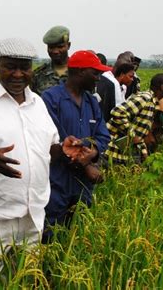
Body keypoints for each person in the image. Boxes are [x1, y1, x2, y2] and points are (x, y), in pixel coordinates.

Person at [0, 38, 84, 280]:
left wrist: (64, 149)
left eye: (24, 67)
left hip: (32, 217)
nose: (17, 74)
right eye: (10, 66)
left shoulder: (38, 104)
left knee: (25, 280)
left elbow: (49, 149)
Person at [41, 50, 111, 243]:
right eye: (95, 73)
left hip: (83, 185)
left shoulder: (91, 101)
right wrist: (87, 164)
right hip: (57, 179)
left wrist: (94, 153)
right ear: (80, 71)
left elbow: (103, 134)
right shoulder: (50, 98)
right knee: (51, 233)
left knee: (75, 236)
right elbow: (57, 138)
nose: (98, 78)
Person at [105, 73, 163, 165]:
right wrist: (132, 136)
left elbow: (138, 134)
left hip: (125, 152)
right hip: (113, 151)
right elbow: (118, 112)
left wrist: (144, 153)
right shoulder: (145, 98)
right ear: (162, 87)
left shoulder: (153, 103)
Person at [31, 25, 70, 96]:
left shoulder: (79, 72)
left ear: (68, 45)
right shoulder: (38, 75)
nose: (55, 51)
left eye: (60, 47)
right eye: (51, 47)